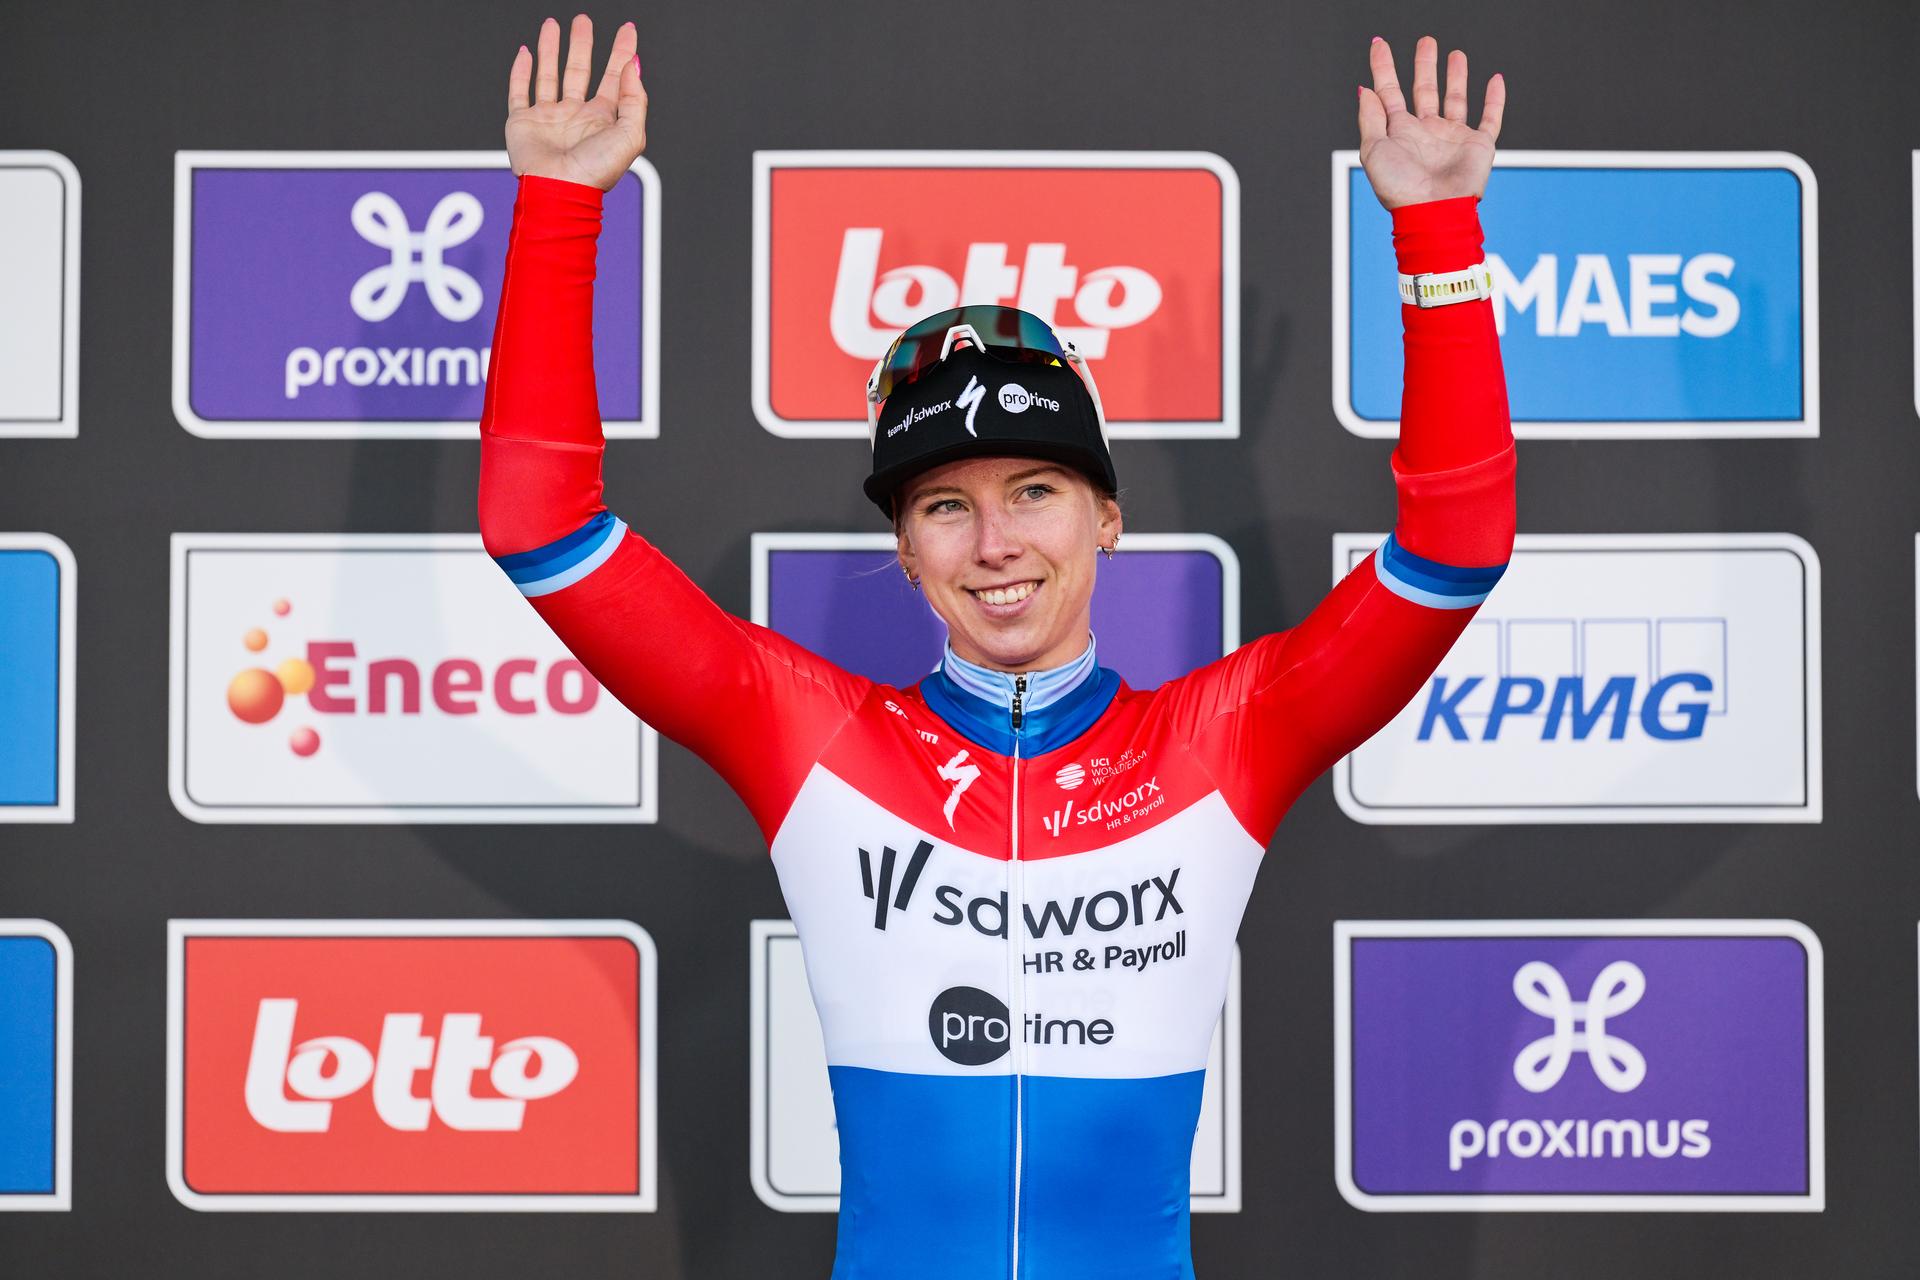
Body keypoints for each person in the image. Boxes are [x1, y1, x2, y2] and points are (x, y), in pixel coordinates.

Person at [478, 17, 1513, 1279]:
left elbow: (1456, 544)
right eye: (944, 506)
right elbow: (539, 523)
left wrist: (1437, 227)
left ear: (1107, 517)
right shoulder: (810, 736)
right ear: (906, 550)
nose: (995, 543)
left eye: (1035, 490)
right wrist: (558, 204)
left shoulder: (1221, 741)